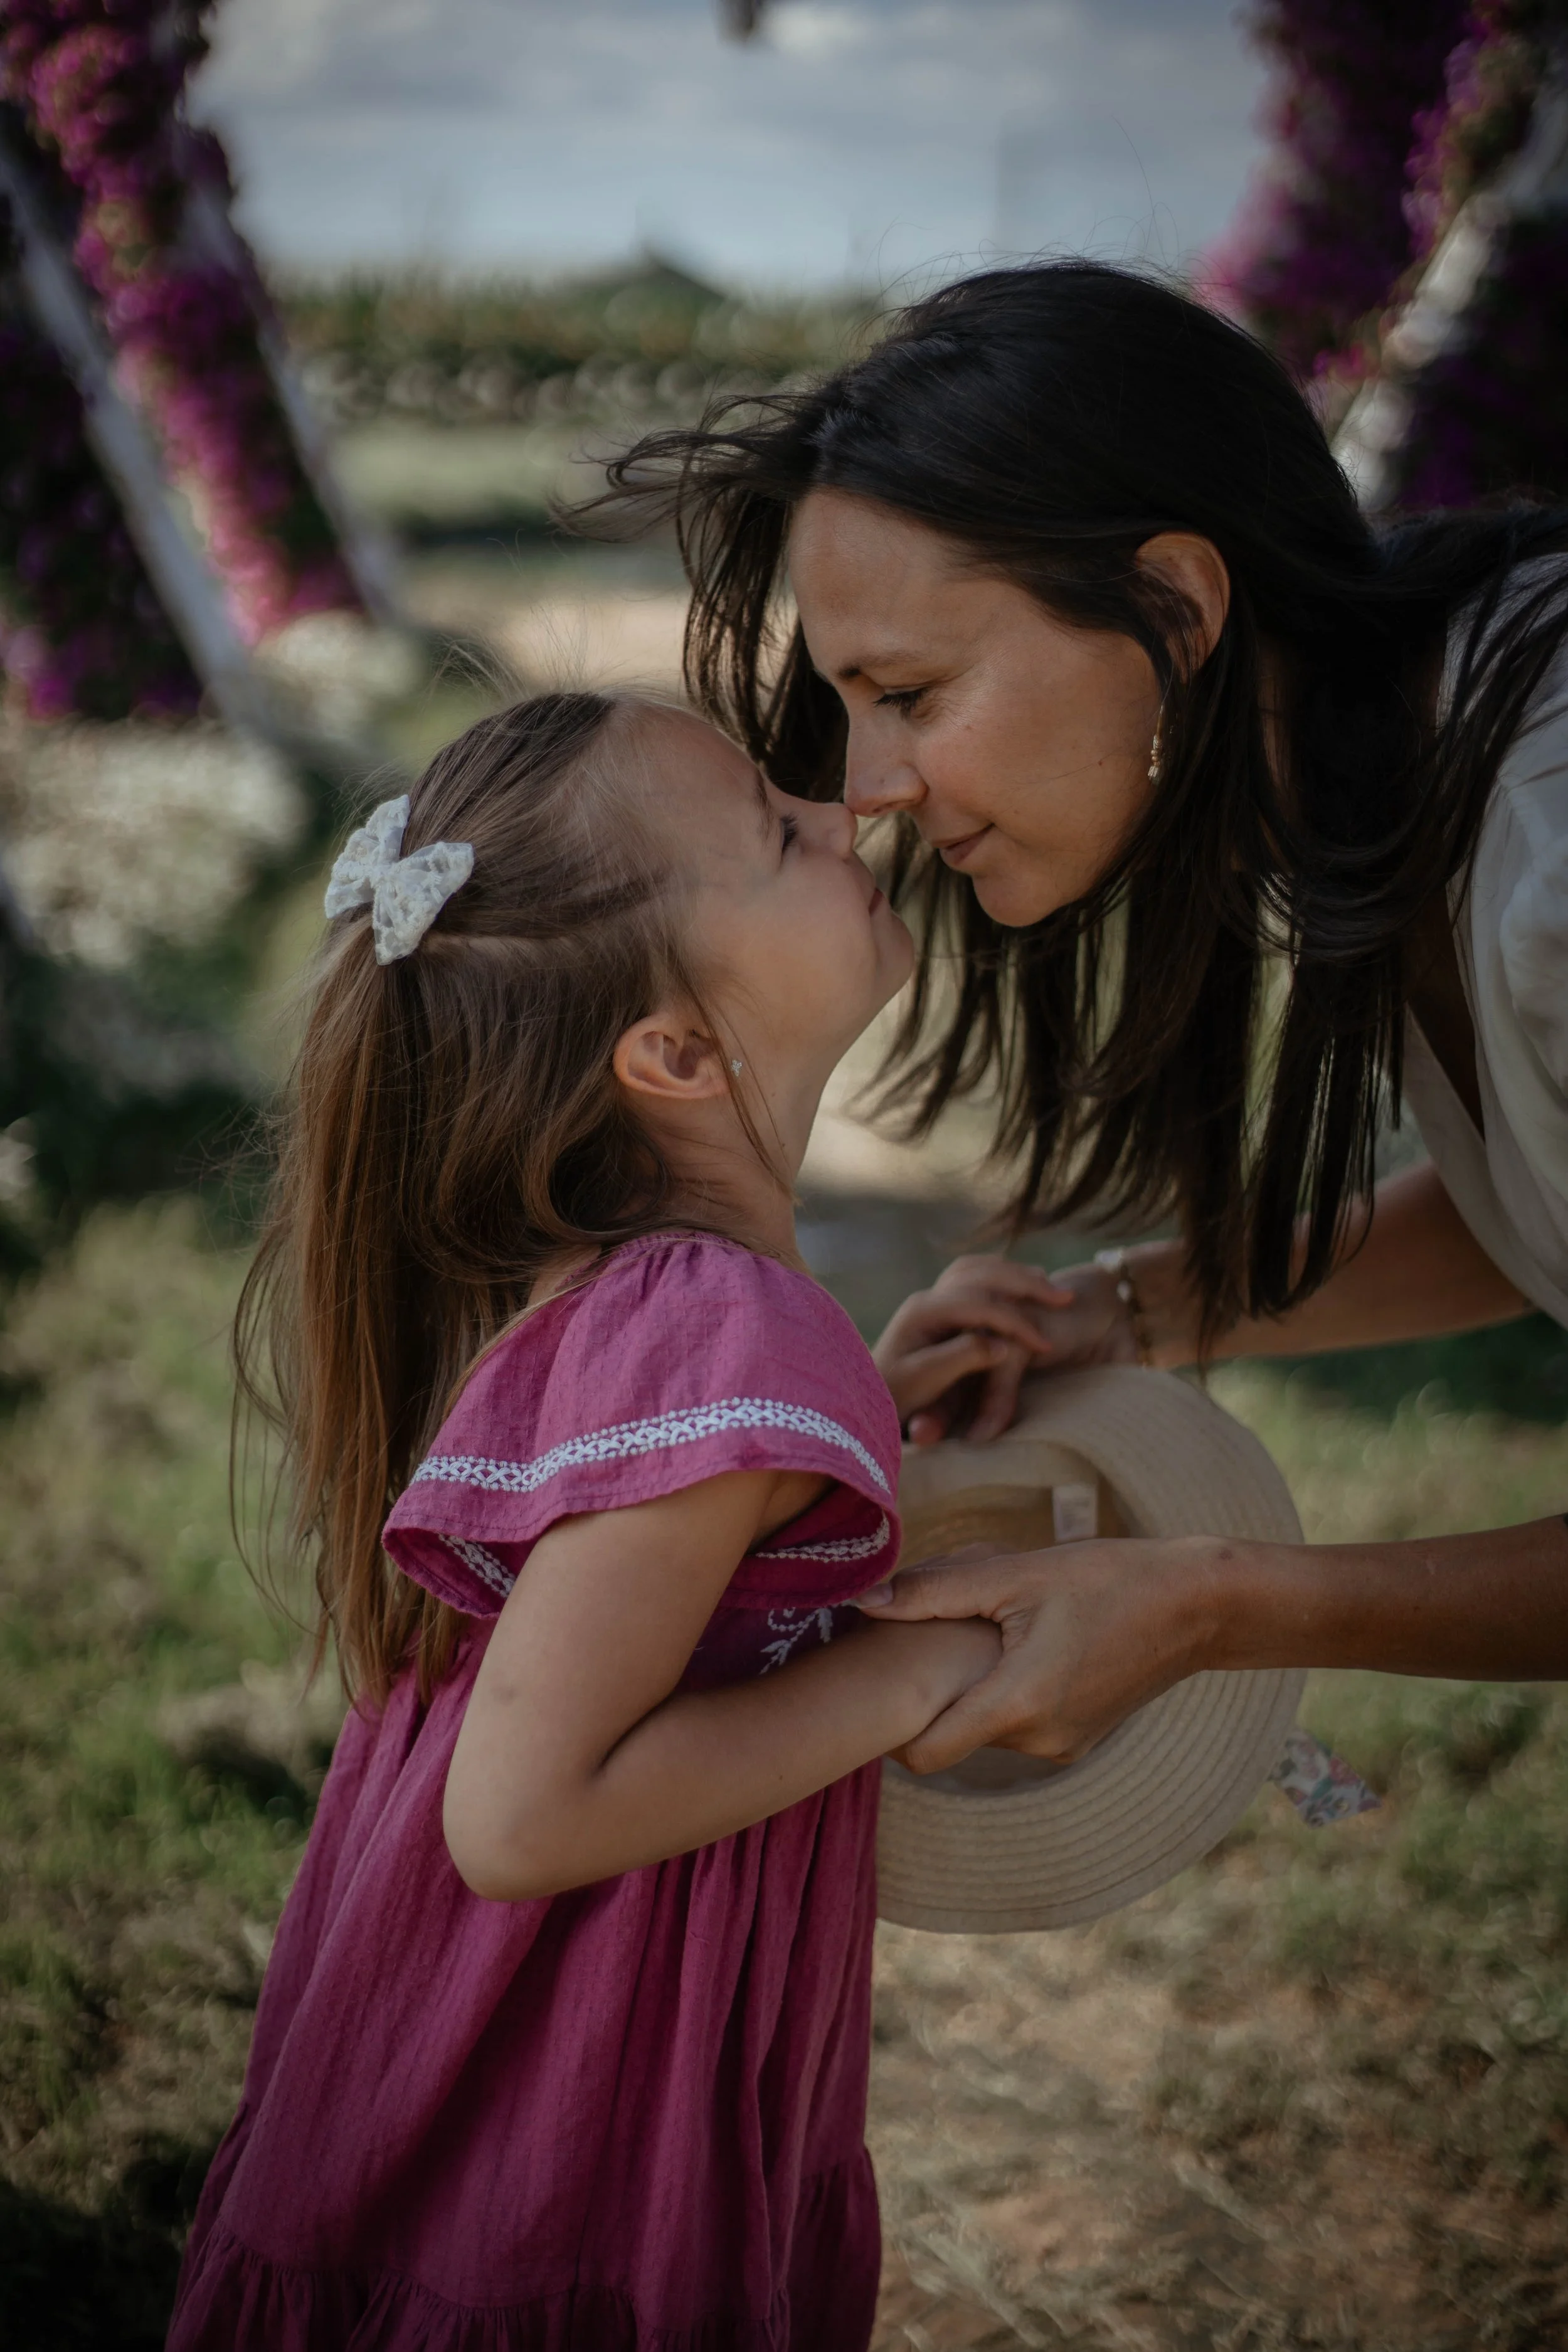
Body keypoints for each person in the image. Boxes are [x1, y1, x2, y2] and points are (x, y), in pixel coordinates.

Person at [601, 257, 1568, 1777]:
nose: (865, 790)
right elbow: (1537, 1191)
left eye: (910, 692)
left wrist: (1215, 1606)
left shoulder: (1549, 853)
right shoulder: (1373, 755)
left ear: (1172, 609)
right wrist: (1128, 1311)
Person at [167, 692, 1000, 2351]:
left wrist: (872, 1414)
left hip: (467, 2074)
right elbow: (525, 1814)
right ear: (672, 1054)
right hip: (567, 2138)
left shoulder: (632, 1302)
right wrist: (916, 1674)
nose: (841, 811)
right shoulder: (719, 1330)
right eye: (774, 829)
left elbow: (682, 1563)